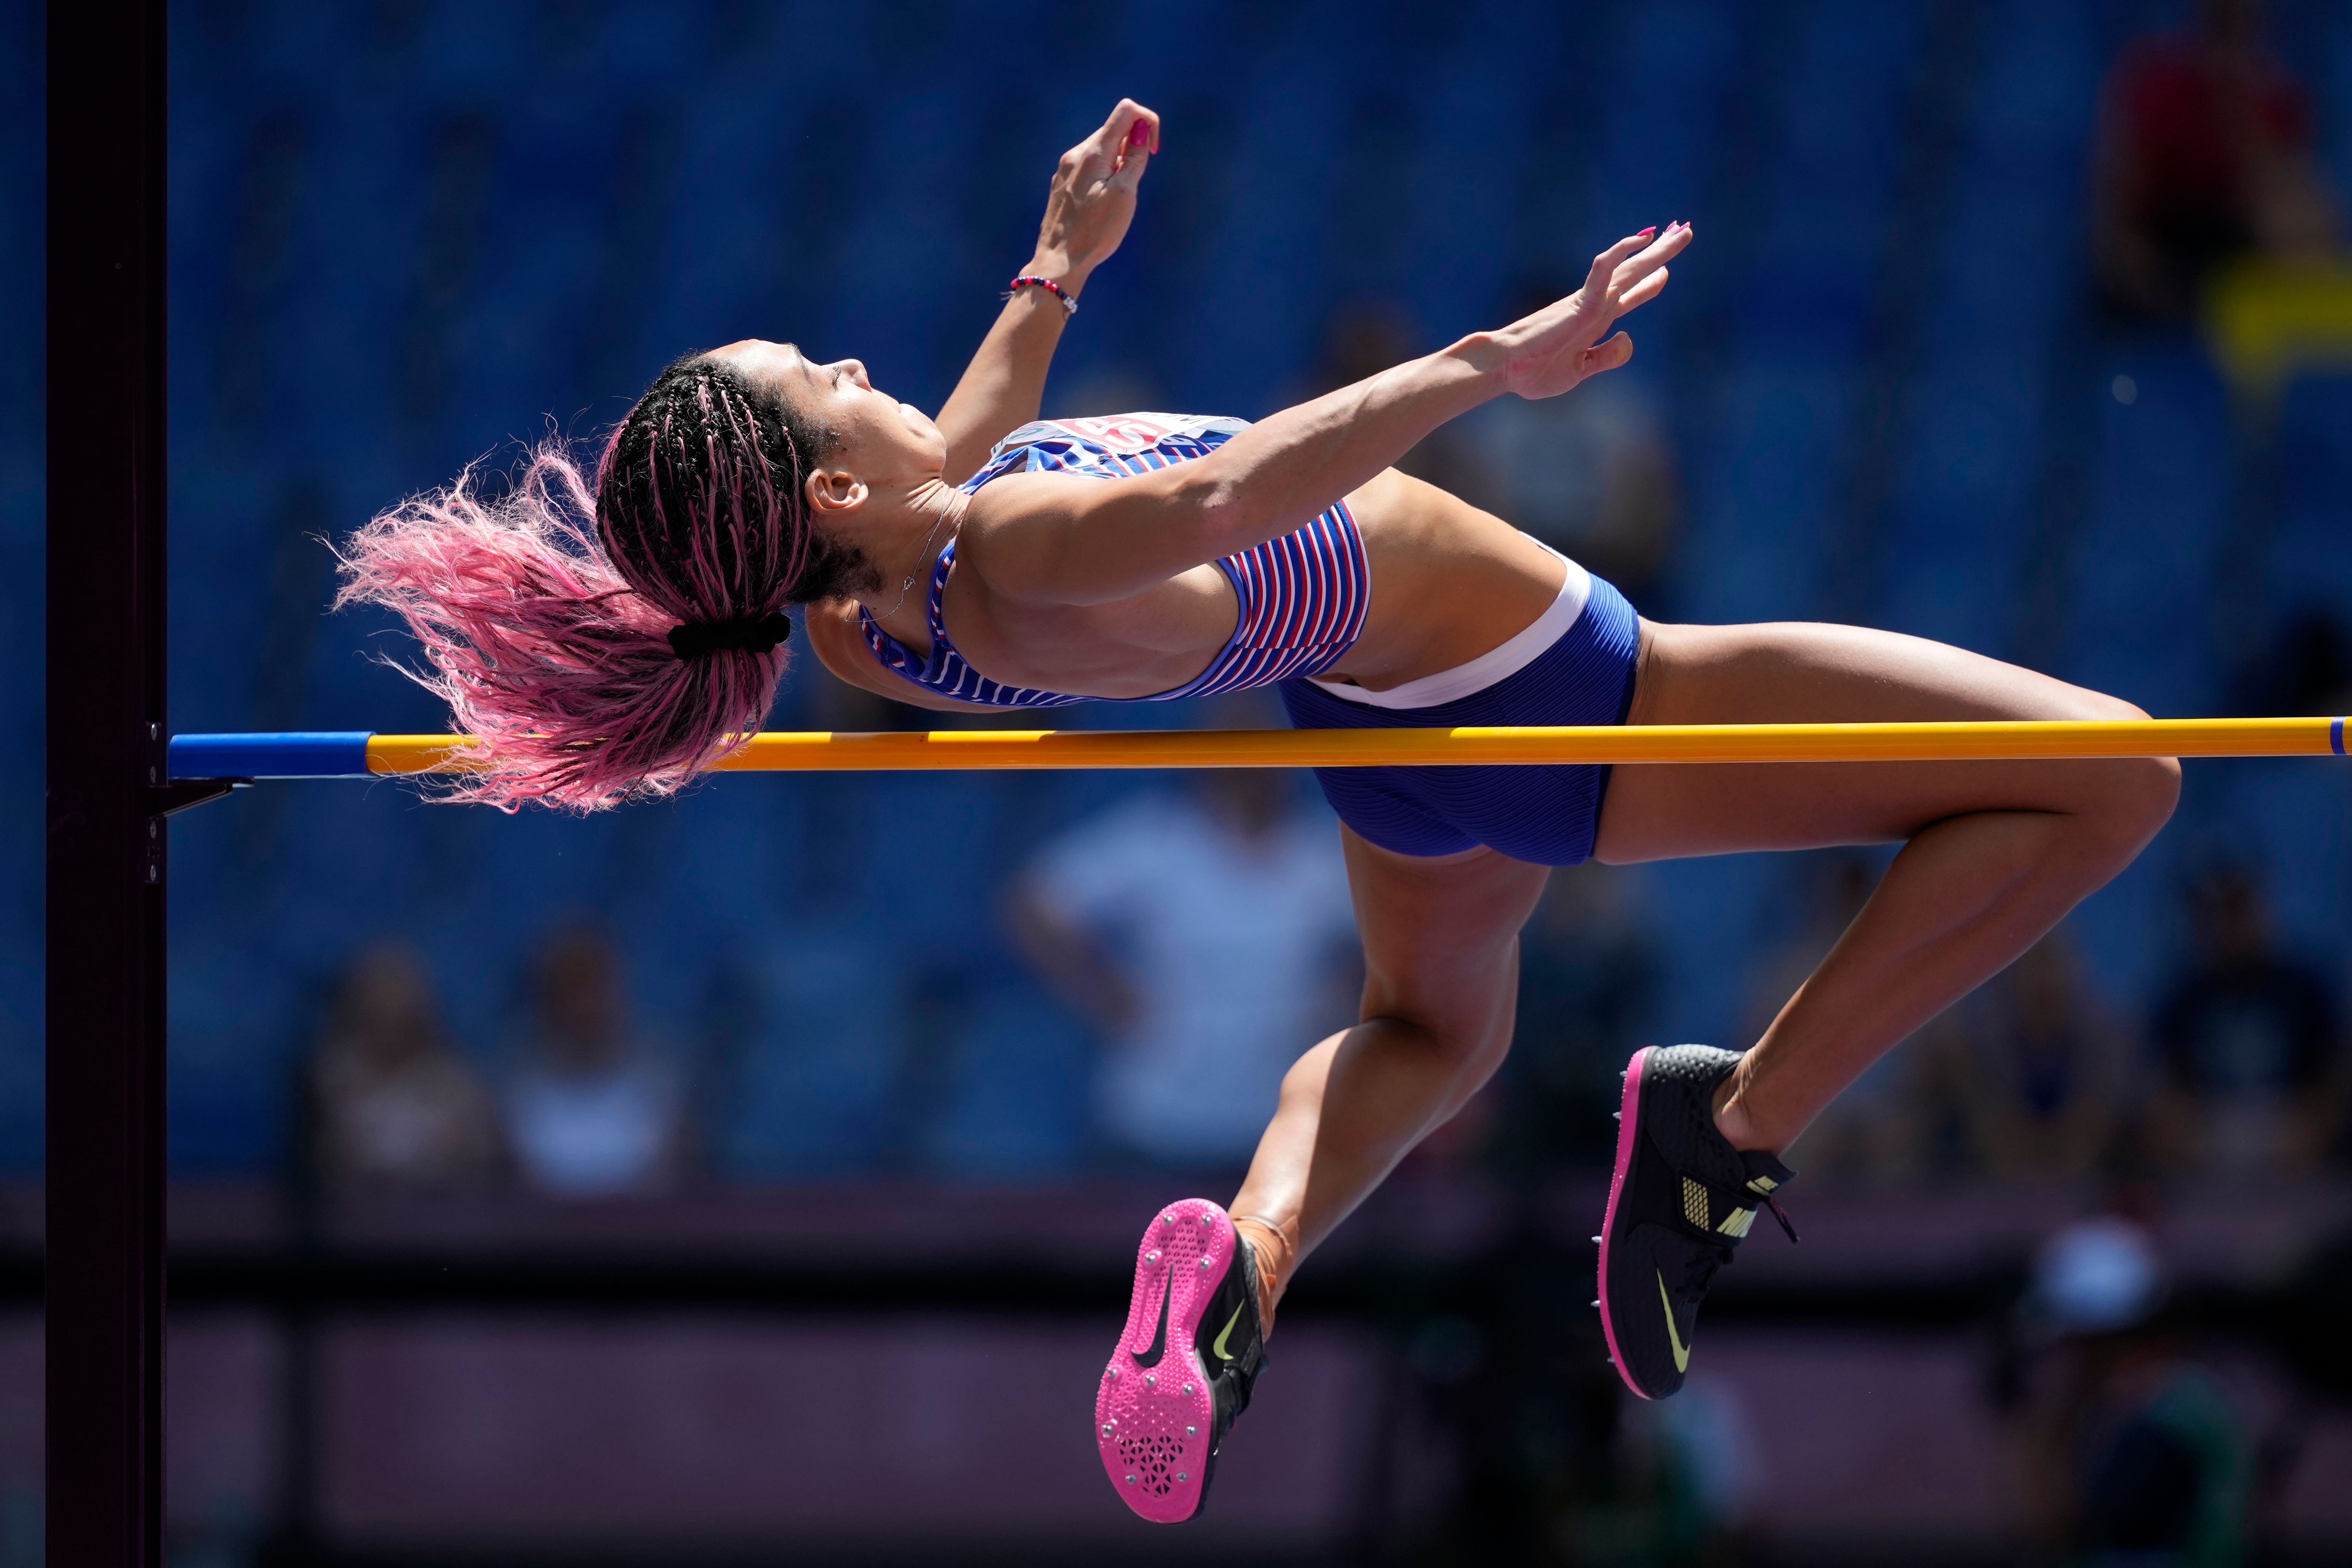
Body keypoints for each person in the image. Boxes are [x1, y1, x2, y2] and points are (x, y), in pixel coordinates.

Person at [336, 100, 2181, 1522]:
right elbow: (1229, 489)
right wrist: (1490, 367)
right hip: (1536, 683)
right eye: (817, 377)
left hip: (1370, 719)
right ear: (823, 476)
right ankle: (1733, 1124)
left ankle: (1248, 1255)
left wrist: (1053, 267)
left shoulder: (872, 620)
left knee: (1424, 1029)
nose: (847, 364)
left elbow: (949, 451)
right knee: (2115, 775)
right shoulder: (1026, 543)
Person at [1008, 736, 1358, 1170]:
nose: (1247, 767)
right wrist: (1105, 993)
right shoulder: (1154, 836)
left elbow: (1392, 925)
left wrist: (1345, 994)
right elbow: (1036, 901)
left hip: (1281, 1121)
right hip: (1154, 1114)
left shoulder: (1323, 847)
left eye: (1261, 751)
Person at [502, 924, 690, 1198]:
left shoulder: (660, 1090)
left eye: (591, 991)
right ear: (548, 1001)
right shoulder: (516, 1096)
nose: (583, 1007)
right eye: (570, 992)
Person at [310, 941, 502, 1188]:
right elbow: (325, 1158)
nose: (390, 1016)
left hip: (440, 1215)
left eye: (400, 1005)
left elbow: (482, 1157)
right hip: (355, 1215)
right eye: (379, 1004)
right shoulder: (330, 1078)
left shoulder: (454, 1081)